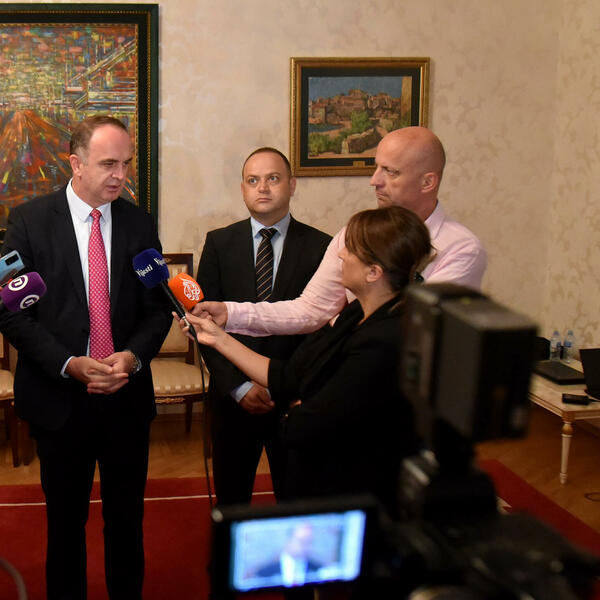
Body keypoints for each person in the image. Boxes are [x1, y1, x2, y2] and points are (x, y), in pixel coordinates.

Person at [0, 115, 171, 599]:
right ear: (76, 164)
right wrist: (68, 363)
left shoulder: (140, 224)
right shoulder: (29, 222)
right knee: (65, 525)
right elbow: (10, 311)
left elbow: (158, 308)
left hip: (125, 399)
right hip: (59, 402)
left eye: (126, 164)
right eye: (109, 164)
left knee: (126, 522)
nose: (121, 175)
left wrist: (132, 357)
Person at [183, 205, 431, 511]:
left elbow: (313, 422)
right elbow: (288, 376)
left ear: (373, 272)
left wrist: (298, 409)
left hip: (355, 490)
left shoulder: (386, 339)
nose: (341, 255)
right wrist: (217, 337)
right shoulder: (354, 313)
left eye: (351, 249)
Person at [195, 126, 487, 336]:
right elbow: (309, 310)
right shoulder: (352, 236)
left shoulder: (460, 248)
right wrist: (230, 313)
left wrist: (340, 324)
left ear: (427, 182)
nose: (374, 180)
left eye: (391, 172)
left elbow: (413, 330)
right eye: (376, 167)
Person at [197, 147, 331, 504]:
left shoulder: (323, 247)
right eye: (253, 180)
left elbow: (321, 328)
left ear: (292, 185)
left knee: (296, 498)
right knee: (232, 499)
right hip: (233, 397)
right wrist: (239, 387)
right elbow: (203, 324)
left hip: (293, 398)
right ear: (242, 188)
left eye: (273, 178)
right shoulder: (219, 243)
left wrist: (288, 385)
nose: (263, 188)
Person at [254, 522, 324, 587]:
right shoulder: (265, 572)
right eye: (302, 541)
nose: (306, 547)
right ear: (288, 540)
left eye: (309, 542)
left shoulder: (318, 570)